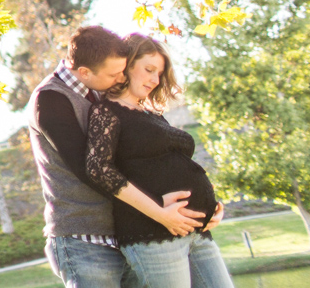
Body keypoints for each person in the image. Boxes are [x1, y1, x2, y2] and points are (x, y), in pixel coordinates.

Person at [29, 26, 208, 288]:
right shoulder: (50, 100)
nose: (121, 78)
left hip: (126, 230)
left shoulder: (100, 90)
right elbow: (90, 170)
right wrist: (157, 205)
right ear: (85, 73)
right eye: (114, 74)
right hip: (83, 238)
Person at [86, 34, 231, 288]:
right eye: (149, 69)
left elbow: (165, 166)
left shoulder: (151, 114)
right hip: (154, 236)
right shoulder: (106, 111)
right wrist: (161, 213)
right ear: (127, 66)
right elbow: (98, 169)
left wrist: (210, 206)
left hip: (196, 231)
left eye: (159, 74)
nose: (154, 80)